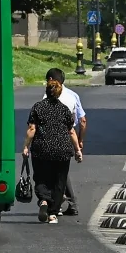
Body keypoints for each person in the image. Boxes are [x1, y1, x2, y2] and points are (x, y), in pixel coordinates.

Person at [22, 81, 82, 224]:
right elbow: (71, 131)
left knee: (41, 177)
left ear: (46, 91)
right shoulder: (64, 109)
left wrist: (25, 147)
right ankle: (53, 214)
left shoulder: (37, 107)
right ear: (59, 93)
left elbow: (32, 129)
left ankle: (43, 200)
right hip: (62, 150)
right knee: (59, 181)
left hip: (41, 149)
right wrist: (77, 150)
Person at [45, 68, 86, 216]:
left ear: (50, 79)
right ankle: (67, 201)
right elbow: (82, 121)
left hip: (51, 137)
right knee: (62, 170)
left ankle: (58, 200)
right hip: (69, 136)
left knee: (54, 170)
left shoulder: (47, 95)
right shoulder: (73, 95)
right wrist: (79, 143)